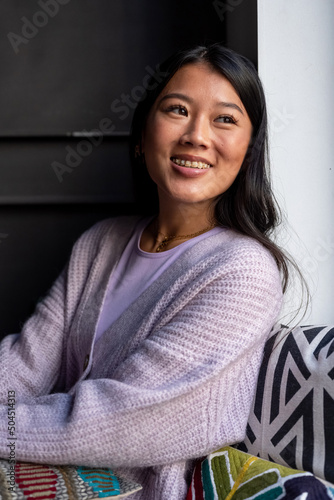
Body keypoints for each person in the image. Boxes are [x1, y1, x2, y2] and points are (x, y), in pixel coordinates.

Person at [0, 43, 286, 499]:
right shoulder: (102, 242)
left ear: (249, 151)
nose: (196, 135)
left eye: (225, 119)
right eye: (177, 109)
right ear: (141, 136)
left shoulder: (243, 272)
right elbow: (25, 364)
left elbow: (124, 419)